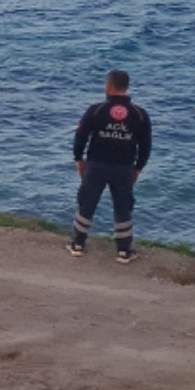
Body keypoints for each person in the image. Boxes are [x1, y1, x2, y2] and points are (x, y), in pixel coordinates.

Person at [70, 70, 152, 263]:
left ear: (108, 86)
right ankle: (123, 251)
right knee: (123, 207)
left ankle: (78, 244)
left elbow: (80, 137)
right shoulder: (139, 114)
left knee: (87, 202)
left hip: (96, 165)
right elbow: (146, 146)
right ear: (127, 87)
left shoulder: (96, 110)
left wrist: (79, 160)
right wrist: (138, 167)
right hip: (124, 168)